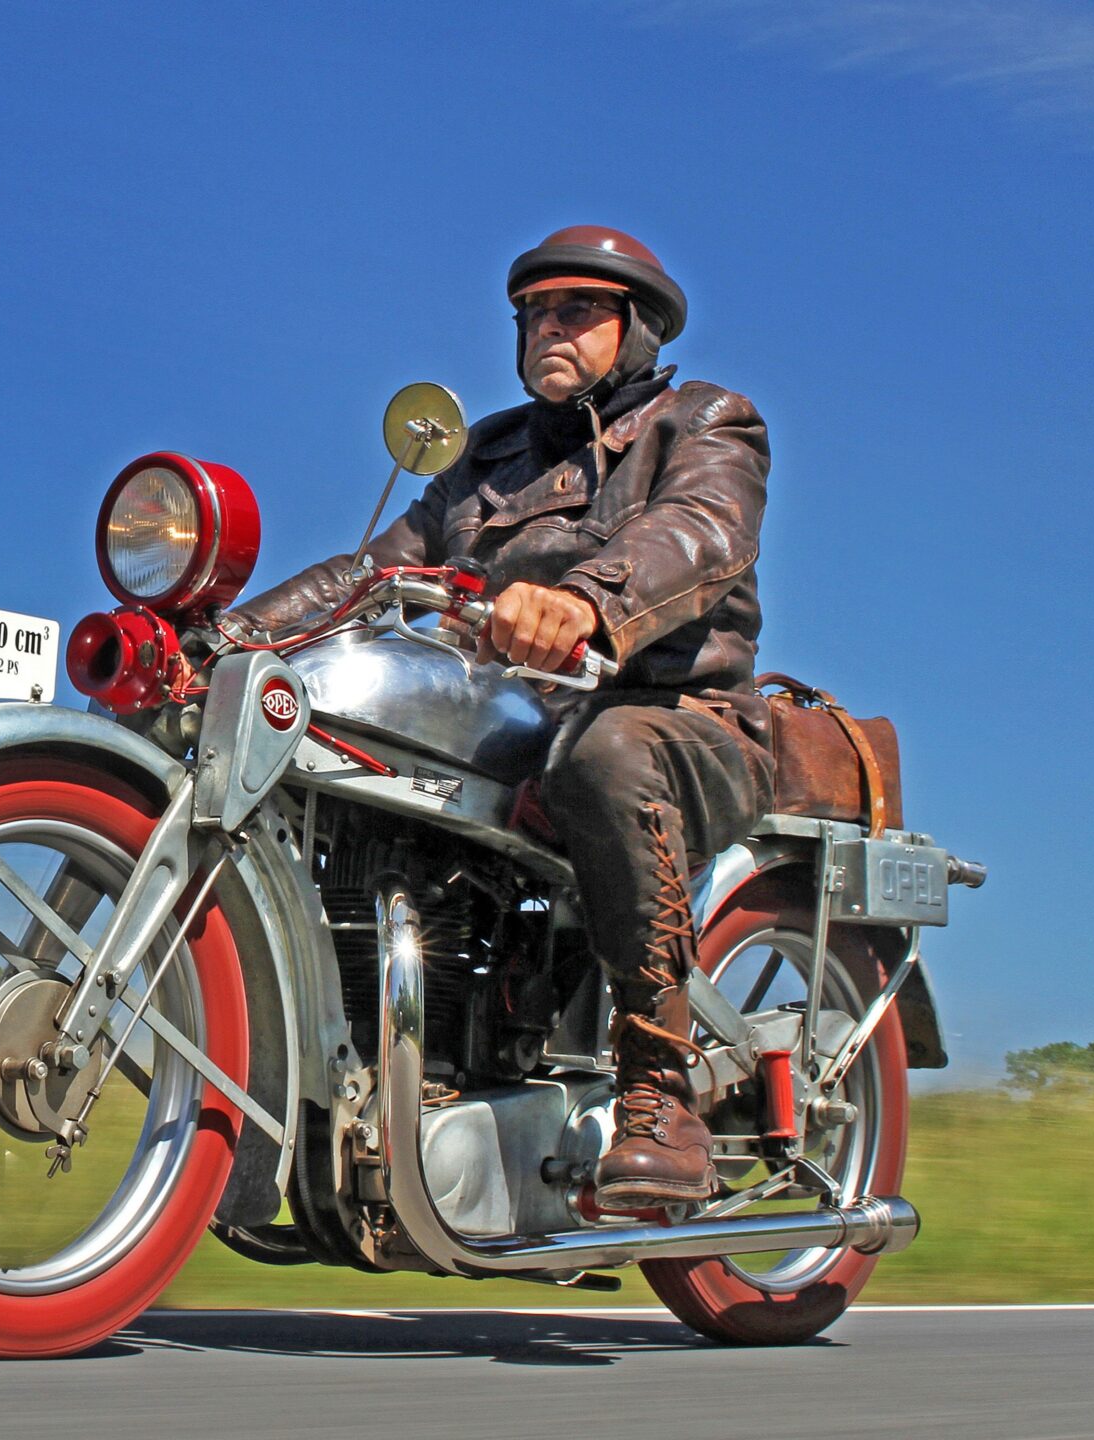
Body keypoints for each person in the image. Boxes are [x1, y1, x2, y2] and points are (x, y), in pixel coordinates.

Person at [225, 226, 774, 1208]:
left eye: (579, 310)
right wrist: (231, 637)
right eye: (533, 313)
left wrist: (586, 602)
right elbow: (372, 573)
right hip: (522, 723)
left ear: (639, 328)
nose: (548, 328)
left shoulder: (702, 421)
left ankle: (661, 1090)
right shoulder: (488, 456)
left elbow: (699, 532)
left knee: (605, 754)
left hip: (679, 718)